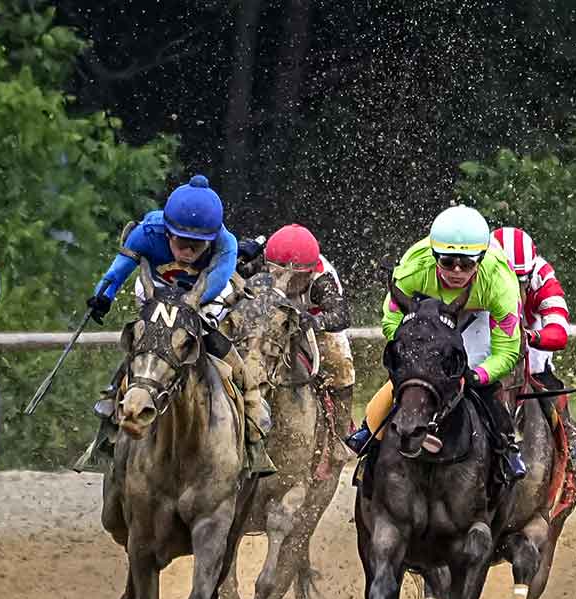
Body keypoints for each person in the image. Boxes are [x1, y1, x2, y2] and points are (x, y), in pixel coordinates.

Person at [79, 174, 274, 476]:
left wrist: (185, 308)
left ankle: (252, 430)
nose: (187, 250)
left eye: (197, 246)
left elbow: (217, 282)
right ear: (167, 233)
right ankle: (106, 427)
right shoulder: (147, 231)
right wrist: (103, 295)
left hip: (201, 294)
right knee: (146, 349)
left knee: (220, 348)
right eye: (182, 242)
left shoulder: (226, 245)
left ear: (210, 241)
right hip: (156, 288)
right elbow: (119, 269)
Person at [343, 205, 527, 481]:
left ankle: (505, 447)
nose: (456, 270)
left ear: (481, 259)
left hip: (478, 315)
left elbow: (507, 350)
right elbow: (391, 323)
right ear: (433, 256)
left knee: (482, 382)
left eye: (466, 264)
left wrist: (475, 375)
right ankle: (370, 438)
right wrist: (417, 358)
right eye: (447, 261)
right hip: (425, 316)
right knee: (411, 379)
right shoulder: (412, 269)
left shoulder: (500, 282)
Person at [250, 224, 356, 445]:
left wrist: (316, 321)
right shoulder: (259, 260)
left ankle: (342, 433)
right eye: (278, 274)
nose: (286, 283)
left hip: (312, 326)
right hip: (270, 319)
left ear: (309, 272)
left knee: (341, 365)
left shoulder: (322, 279)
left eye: (294, 278)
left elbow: (341, 315)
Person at [490, 226, 570, 388]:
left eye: (520, 281)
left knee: (552, 394)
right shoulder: (468, 271)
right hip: (486, 346)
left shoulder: (542, 277)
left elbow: (559, 332)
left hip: (532, 356)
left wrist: (529, 337)